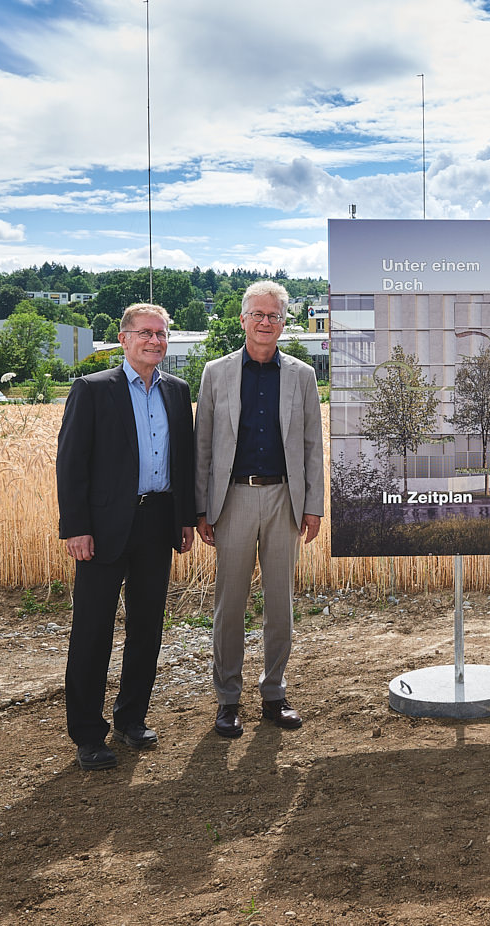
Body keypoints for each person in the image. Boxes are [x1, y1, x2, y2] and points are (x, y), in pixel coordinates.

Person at [56, 303, 196, 771]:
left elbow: (184, 461)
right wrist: (75, 526)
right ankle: (88, 735)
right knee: (93, 631)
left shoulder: (177, 391)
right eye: (145, 333)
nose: (155, 341)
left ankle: (131, 719)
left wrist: (185, 519)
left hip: (157, 522)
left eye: (161, 334)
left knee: (147, 629)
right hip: (103, 529)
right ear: (123, 338)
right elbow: (71, 463)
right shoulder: (92, 390)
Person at [196, 281, 324, 738]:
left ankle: (274, 693)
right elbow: (204, 444)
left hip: (284, 499)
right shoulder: (216, 372)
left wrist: (314, 506)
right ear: (243, 319)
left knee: (279, 604)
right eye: (258, 315)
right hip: (231, 500)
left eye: (274, 315)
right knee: (229, 604)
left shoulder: (302, 376)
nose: (265, 322)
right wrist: (201, 508)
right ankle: (228, 700)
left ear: (284, 322)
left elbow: (312, 445)